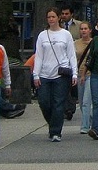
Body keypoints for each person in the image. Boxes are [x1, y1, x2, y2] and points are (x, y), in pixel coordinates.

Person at [32, 7, 78, 142]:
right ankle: (53, 123)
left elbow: (71, 55)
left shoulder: (66, 35)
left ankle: (55, 131)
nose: (51, 19)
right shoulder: (42, 35)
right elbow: (38, 56)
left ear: (58, 18)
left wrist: (74, 73)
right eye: (49, 17)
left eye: (53, 17)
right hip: (45, 73)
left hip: (61, 74)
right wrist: (36, 74)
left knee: (58, 103)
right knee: (44, 102)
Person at [59, 5, 81, 120]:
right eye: (62, 14)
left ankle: (70, 107)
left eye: (66, 14)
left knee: (72, 87)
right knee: (63, 86)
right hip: (61, 61)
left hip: (75, 59)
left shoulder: (78, 26)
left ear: (71, 14)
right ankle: (67, 108)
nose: (64, 16)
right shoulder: (58, 26)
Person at [74, 21, 94, 134]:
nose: (83, 31)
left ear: (90, 30)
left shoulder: (94, 42)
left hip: (91, 74)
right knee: (81, 103)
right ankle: (90, 119)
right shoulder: (75, 43)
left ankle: (85, 126)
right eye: (81, 29)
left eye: (86, 28)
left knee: (87, 101)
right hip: (78, 73)